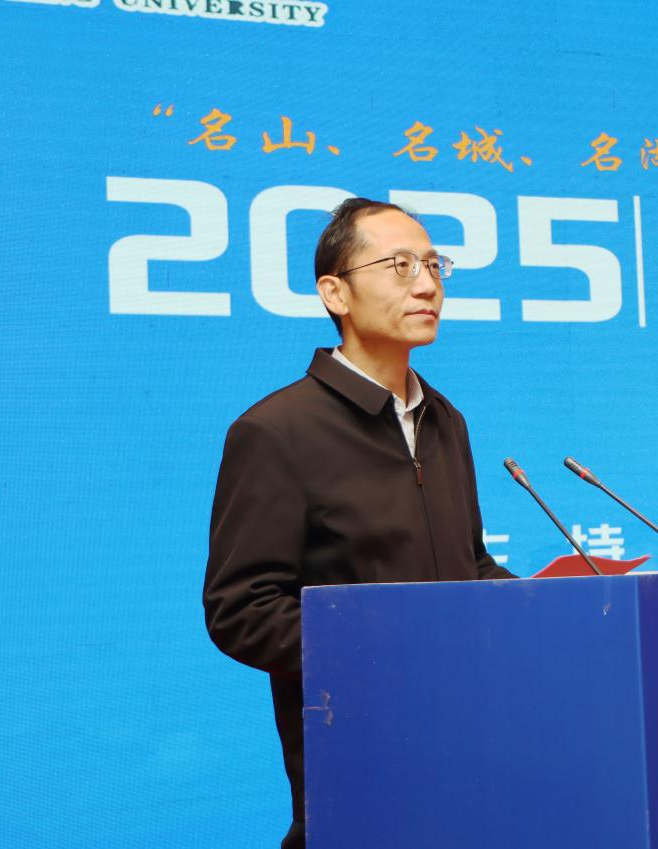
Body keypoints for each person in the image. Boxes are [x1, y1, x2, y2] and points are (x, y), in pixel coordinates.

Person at [203, 198, 515, 849]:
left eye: (433, 265)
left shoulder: (445, 420)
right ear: (334, 292)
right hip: (358, 758)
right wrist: (385, 645)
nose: (426, 285)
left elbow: (470, 561)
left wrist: (544, 607)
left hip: (467, 743)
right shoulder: (276, 431)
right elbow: (241, 609)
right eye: (399, 266)